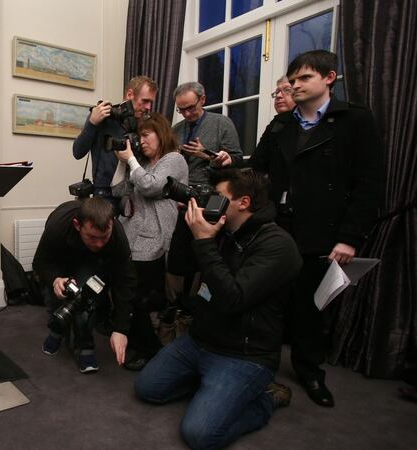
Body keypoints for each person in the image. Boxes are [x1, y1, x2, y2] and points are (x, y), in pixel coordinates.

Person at [250, 50, 384, 407]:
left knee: (310, 307)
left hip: (323, 231)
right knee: (268, 299)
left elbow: (369, 185)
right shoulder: (281, 124)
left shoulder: (355, 120)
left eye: (304, 78)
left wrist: (350, 238)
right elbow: (257, 171)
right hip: (278, 226)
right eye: (292, 80)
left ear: (329, 78)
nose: (295, 85)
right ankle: (260, 365)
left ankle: (309, 371)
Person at [134, 168, 302, 450]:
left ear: (244, 202)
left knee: (199, 434)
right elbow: (180, 266)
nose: (211, 201)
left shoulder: (278, 245)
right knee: (147, 388)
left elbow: (232, 299)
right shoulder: (221, 228)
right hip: (200, 340)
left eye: (219, 196)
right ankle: (214, 388)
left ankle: (265, 397)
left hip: (244, 354)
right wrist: (188, 227)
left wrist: (205, 242)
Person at [111, 112, 188, 370]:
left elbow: (151, 186)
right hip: (131, 234)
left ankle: (150, 350)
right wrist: (123, 161)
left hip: (155, 237)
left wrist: (132, 160)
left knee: (143, 296)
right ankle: (138, 341)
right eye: (139, 136)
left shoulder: (174, 159)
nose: (141, 141)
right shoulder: (141, 162)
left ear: (161, 133)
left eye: (146, 135)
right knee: (130, 292)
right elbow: (117, 190)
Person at [165, 82, 243, 320]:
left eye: (191, 107)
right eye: (182, 109)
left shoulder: (222, 123)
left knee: (206, 257)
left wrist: (207, 155)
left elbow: (236, 162)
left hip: (210, 202)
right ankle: (179, 307)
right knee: (180, 259)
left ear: (203, 99)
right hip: (179, 201)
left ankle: (201, 308)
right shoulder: (176, 129)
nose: (187, 114)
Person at [33, 197, 136, 373]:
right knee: (55, 297)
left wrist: (121, 329)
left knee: (85, 299)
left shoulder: (117, 236)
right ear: (77, 225)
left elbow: (125, 282)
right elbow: (40, 262)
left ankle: (85, 346)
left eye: (104, 237)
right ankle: (57, 330)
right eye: (92, 237)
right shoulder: (57, 226)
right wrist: (55, 279)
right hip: (60, 257)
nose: (99, 244)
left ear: (112, 224)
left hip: (91, 261)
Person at [72, 76, 158, 208]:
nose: (148, 107)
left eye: (151, 102)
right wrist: (92, 123)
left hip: (136, 195)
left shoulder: (146, 123)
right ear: (130, 94)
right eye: (145, 101)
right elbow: (77, 152)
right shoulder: (104, 116)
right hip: (105, 196)